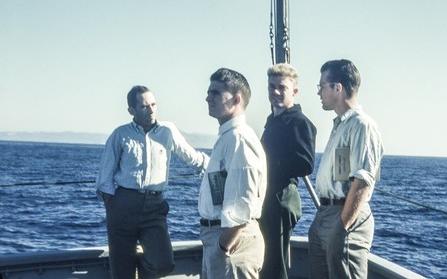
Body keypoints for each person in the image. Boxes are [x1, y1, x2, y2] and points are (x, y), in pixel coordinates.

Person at [96, 85, 209, 279]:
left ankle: (141, 270)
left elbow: (193, 158)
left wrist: (219, 166)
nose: (151, 110)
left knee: (163, 263)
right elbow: (104, 180)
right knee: (122, 272)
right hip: (123, 205)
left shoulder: (168, 130)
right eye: (144, 106)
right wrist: (114, 207)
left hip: (155, 207)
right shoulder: (120, 134)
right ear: (131, 111)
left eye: (154, 104)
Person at [308, 59, 384, 279]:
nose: (319, 92)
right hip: (325, 215)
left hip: (345, 217)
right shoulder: (341, 125)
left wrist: (342, 228)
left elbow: (362, 181)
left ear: (337, 88)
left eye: (322, 86)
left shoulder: (362, 125)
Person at [198, 68, 267, 279]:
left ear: (236, 99)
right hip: (220, 240)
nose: (208, 97)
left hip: (232, 244)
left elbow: (241, 205)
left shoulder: (240, 139)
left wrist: (222, 247)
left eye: (216, 93)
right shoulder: (229, 137)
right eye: (209, 92)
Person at [259, 63, 316, 279]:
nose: (275, 92)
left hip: (281, 198)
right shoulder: (273, 120)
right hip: (267, 197)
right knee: (264, 260)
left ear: (294, 91)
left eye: (281, 87)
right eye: (271, 87)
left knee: (274, 263)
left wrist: (267, 164)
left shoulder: (299, 123)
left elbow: (306, 164)